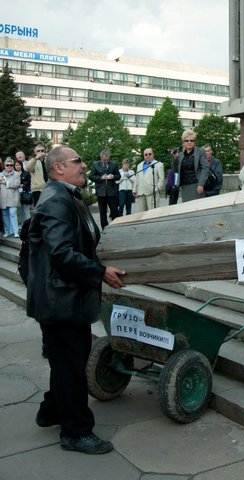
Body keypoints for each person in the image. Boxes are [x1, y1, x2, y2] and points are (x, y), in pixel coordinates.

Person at [27, 146, 126, 455]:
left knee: (66, 361)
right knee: (70, 365)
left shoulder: (66, 195)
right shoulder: (57, 199)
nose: (84, 165)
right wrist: (99, 272)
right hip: (61, 301)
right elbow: (61, 253)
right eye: (78, 161)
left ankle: (52, 410)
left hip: (64, 298)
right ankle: (76, 432)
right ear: (58, 168)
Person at [172, 130, 210, 203]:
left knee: (198, 209)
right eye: (187, 140)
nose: (189, 142)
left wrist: (201, 184)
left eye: (191, 140)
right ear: (183, 142)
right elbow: (175, 170)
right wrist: (174, 159)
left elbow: (205, 168)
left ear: (194, 142)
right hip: (185, 187)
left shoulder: (200, 151)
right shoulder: (180, 155)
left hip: (197, 186)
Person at [88, 149, 119, 229]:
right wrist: (101, 177)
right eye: (104, 160)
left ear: (109, 158)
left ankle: (115, 226)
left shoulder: (114, 164)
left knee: (114, 211)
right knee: (102, 212)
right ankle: (104, 228)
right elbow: (91, 176)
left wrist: (113, 177)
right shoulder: (96, 164)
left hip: (111, 191)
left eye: (107, 160)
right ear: (101, 158)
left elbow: (118, 176)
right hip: (101, 192)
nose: (106, 161)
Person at [0, 158, 21, 237]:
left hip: (13, 198)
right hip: (3, 198)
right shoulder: (0, 174)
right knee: (5, 215)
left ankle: (15, 232)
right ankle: (7, 232)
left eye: (11, 165)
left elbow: (16, 184)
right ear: (4, 166)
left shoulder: (16, 174)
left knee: (13, 213)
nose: (9, 166)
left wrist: (5, 182)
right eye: (7, 165)